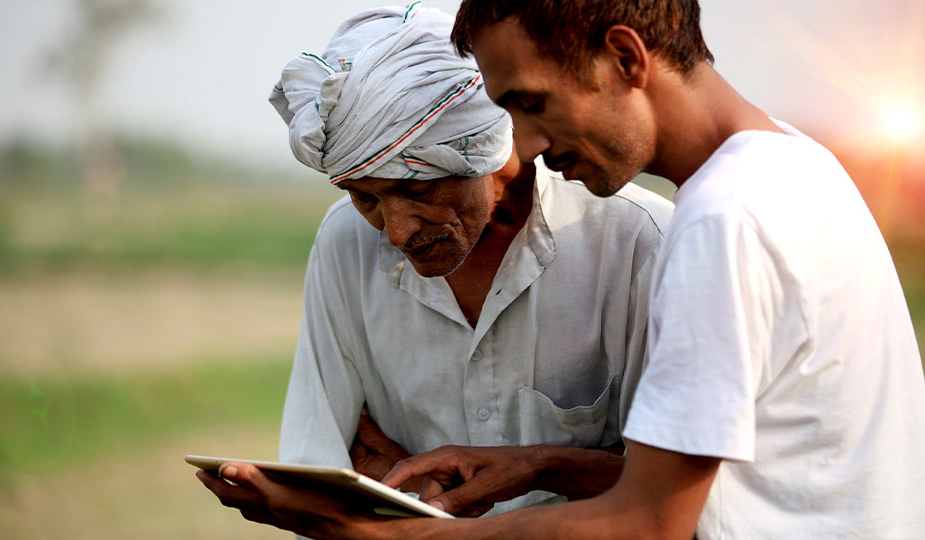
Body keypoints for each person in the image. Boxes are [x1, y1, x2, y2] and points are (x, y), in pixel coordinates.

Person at [198, 0, 925, 538]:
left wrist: (405, 534)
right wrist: (542, 465)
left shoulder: (719, 224)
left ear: (626, 57)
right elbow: (726, 479)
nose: (524, 144)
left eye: (529, 104)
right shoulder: (794, 165)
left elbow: (648, 522)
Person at [206, 0, 671, 520]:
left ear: (486, 147)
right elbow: (320, 458)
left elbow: (674, 490)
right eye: (367, 198)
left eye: (417, 187)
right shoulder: (344, 241)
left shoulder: (637, 241)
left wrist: (533, 468)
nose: (396, 229)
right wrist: (302, 501)